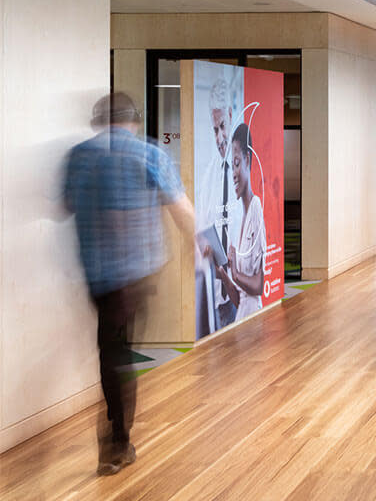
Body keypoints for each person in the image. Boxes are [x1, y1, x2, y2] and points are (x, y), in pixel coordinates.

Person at [63, 92, 195, 476]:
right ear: (134, 120)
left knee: (113, 347)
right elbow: (181, 208)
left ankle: (117, 434)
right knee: (119, 351)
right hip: (137, 274)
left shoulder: (79, 157)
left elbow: (65, 205)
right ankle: (117, 440)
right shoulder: (149, 154)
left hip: (97, 274)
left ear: (97, 122)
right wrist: (198, 243)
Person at [196, 75, 242, 331]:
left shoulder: (243, 168)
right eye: (215, 129)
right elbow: (202, 226)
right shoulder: (208, 177)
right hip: (217, 292)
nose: (220, 136)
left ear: (231, 115)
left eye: (223, 125)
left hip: (240, 286)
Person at [214, 123, 265, 322]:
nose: (233, 172)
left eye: (237, 163)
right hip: (241, 320)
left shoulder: (256, 208)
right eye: (231, 166)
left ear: (248, 160)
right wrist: (223, 275)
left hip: (254, 319)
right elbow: (239, 299)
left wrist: (234, 273)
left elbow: (258, 286)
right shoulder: (238, 217)